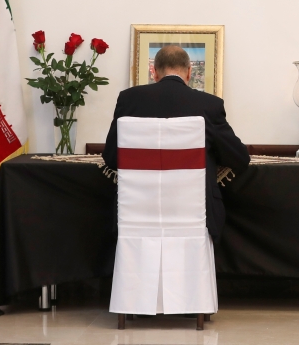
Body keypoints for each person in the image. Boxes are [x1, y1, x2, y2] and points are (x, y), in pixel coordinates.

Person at [103, 45, 250, 244]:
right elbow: (239, 158)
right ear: (189, 72)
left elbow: (111, 158)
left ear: (154, 72)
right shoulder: (209, 105)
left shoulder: (128, 99)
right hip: (196, 214)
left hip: (136, 213)